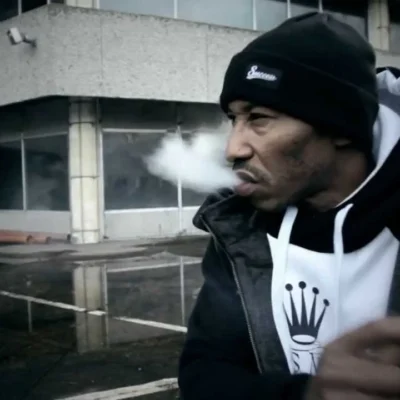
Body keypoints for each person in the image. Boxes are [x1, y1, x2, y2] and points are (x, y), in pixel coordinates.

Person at [178, 12, 400, 400]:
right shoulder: (240, 231)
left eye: (258, 118)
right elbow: (204, 375)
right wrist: (306, 395)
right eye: (233, 119)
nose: (233, 149)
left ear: (340, 127)